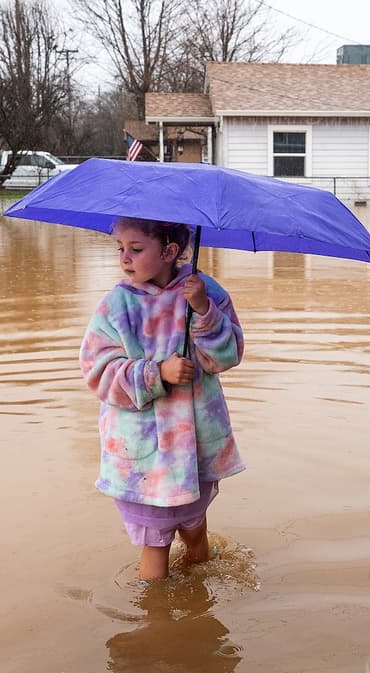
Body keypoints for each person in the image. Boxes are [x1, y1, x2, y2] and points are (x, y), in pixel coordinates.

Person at [80, 216, 245, 580]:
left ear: (170, 251)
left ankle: (195, 596)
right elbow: (97, 372)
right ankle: (156, 624)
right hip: (144, 454)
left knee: (194, 526)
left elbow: (226, 356)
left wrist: (204, 311)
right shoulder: (116, 306)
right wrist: (156, 373)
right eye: (121, 248)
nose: (125, 257)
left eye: (136, 249)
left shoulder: (205, 291)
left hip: (195, 445)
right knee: (155, 544)